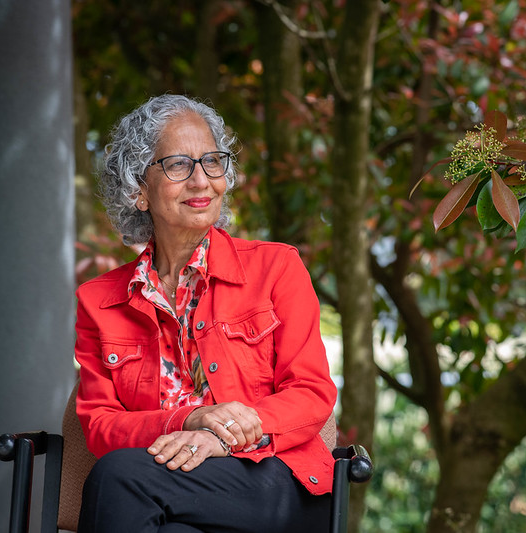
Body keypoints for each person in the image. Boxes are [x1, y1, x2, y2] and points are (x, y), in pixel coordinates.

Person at [74, 94, 337, 533]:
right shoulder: (98, 300)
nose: (201, 181)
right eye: (178, 165)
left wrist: (219, 435)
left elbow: (312, 394)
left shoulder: (276, 267)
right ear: (138, 189)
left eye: (212, 161)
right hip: (165, 489)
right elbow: (101, 427)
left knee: (119, 477)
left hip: (272, 481)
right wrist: (186, 419)